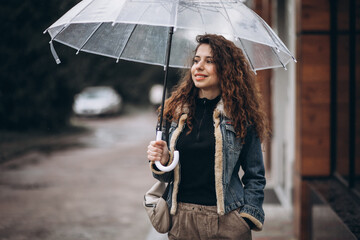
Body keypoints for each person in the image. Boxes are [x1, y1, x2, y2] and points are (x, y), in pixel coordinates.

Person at [147, 34, 269, 240]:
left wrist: (246, 217)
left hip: (227, 220)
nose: (199, 67)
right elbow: (163, 177)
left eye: (209, 61)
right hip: (182, 221)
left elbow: (255, 175)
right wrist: (163, 160)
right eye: (196, 61)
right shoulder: (174, 113)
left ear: (227, 69)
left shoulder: (241, 116)